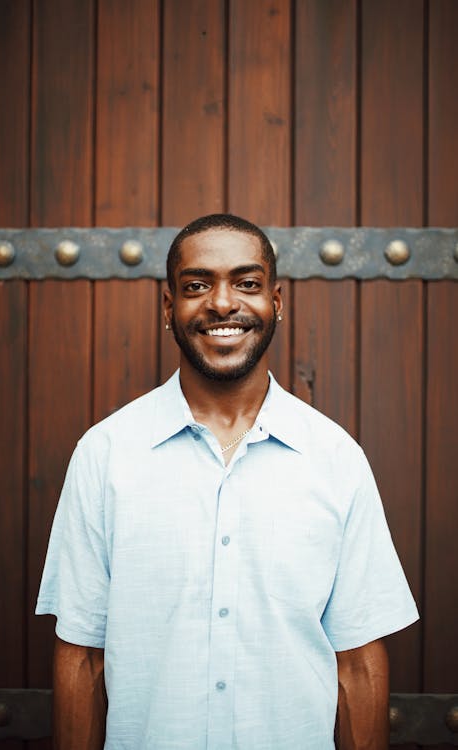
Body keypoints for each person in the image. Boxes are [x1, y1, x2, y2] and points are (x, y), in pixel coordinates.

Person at [36, 213, 419, 750]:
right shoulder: (105, 455)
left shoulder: (335, 459)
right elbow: (82, 655)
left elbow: (356, 663)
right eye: (196, 285)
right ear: (169, 308)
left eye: (247, 283)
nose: (221, 303)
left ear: (276, 303)